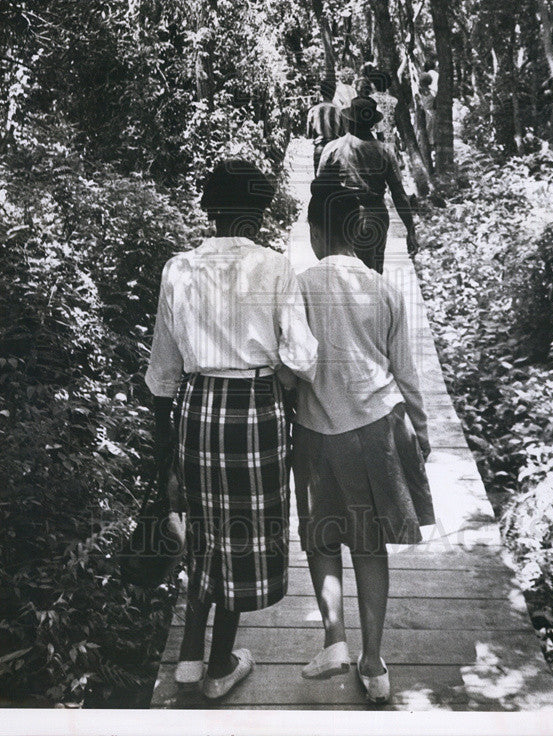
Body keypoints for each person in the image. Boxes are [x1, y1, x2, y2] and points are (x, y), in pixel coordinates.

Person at [145, 158, 318, 701]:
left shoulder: (179, 268)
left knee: (202, 528)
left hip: (197, 408)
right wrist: (277, 376)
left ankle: (189, 657)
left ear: (210, 209)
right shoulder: (274, 267)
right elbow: (303, 357)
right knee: (240, 535)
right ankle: (221, 664)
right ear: (260, 212)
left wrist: (166, 452)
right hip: (255, 409)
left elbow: (162, 370)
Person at [292, 177, 434, 704]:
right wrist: (421, 431)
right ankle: (374, 664)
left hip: (315, 431)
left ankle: (335, 638)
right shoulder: (384, 288)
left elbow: (291, 362)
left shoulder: (300, 286)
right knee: (370, 546)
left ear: (315, 230)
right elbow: (408, 372)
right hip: (377, 426)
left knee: (322, 538)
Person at [318, 96, 417, 274]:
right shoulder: (385, 151)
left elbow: (319, 191)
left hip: (342, 216)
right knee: (374, 275)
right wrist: (410, 230)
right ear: (372, 123)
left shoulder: (333, 148)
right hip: (375, 217)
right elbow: (398, 194)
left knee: (343, 275)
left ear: (349, 120)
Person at [306, 80, 344, 175]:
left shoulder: (313, 111)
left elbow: (309, 134)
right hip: (336, 151)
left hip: (320, 149)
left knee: (319, 183)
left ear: (321, 92)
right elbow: (343, 133)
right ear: (334, 92)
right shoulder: (340, 111)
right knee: (336, 182)